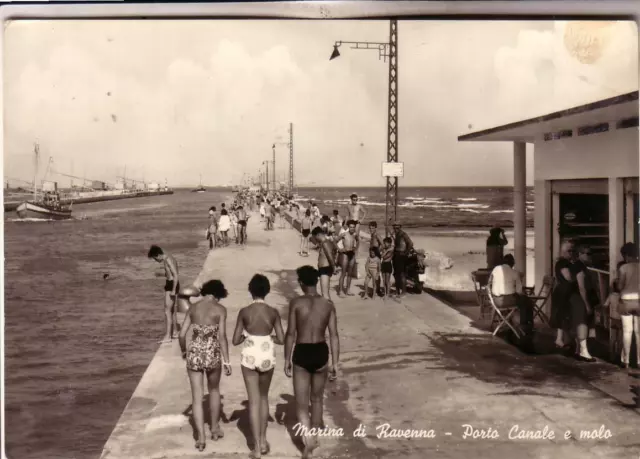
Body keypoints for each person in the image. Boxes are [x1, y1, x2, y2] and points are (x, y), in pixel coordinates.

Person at [284, 266, 340, 458]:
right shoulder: (328, 304)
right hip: (320, 351)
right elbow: (334, 335)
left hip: (302, 351)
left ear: (301, 282)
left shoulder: (296, 303)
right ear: (316, 281)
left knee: (301, 404)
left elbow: (291, 333)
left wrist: (286, 359)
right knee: (316, 399)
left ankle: (307, 441)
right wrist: (336, 362)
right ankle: (314, 436)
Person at [232, 274, 285, 458]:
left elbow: (235, 340)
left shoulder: (244, 312)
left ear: (250, 290)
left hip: (250, 354)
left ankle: (255, 449)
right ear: (267, 291)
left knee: (253, 401)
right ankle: (263, 441)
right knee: (264, 398)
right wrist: (268, 337)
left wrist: (248, 335)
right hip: (267, 353)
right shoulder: (273, 312)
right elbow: (282, 338)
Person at [178, 280, 232, 451]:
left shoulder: (193, 308)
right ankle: (215, 429)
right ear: (217, 294)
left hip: (194, 353)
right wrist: (227, 360)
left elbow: (181, 334)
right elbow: (222, 337)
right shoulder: (220, 310)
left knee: (196, 397)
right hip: (212, 353)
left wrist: (185, 351)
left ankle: (200, 437)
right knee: (214, 390)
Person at [489, 254, 534, 352]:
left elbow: (489, 283)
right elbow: (519, 291)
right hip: (508, 301)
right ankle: (525, 325)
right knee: (526, 301)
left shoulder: (496, 269)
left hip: (496, 301)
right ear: (512, 264)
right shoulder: (514, 273)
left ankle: (512, 322)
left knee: (521, 300)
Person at [569, 245, 597, 362]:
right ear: (580, 254)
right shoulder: (580, 267)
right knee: (582, 323)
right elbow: (582, 287)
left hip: (575, 298)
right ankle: (584, 352)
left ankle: (578, 350)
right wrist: (587, 304)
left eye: (590, 253)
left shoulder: (578, 266)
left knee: (579, 323)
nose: (589, 256)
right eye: (587, 253)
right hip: (579, 298)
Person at [148, 245, 180, 343]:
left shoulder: (168, 260)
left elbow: (175, 275)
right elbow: (171, 274)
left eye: (155, 258)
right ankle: (175, 332)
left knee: (167, 311)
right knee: (172, 311)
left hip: (171, 286)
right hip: (172, 284)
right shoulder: (170, 258)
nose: (156, 261)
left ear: (158, 255)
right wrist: (161, 274)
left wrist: (173, 290)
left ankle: (168, 336)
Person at [616, 242, 640, 368]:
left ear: (625, 255)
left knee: (627, 332)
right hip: (639, 301)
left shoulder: (623, 268)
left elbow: (620, 286)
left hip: (626, 300)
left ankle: (625, 361)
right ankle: (639, 361)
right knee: (639, 333)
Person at [550, 239, 576, 351]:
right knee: (564, 315)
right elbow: (568, 277)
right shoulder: (564, 263)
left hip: (561, 291)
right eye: (569, 251)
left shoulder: (560, 262)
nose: (571, 253)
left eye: (572, 251)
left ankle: (561, 339)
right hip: (564, 292)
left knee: (562, 316)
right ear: (563, 251)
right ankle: (563, 339)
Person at [334, 220, 359, 297]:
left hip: (352, 254)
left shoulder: (355, 235)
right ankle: (340, 291)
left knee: (350, 273)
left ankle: (348, 290)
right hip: (345, 254)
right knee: (343, 273)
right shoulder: (344, 234)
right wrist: (339, 249)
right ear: (348, 227)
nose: (352, 228)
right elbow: (334, 241)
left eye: (353, 227)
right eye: (351, 227)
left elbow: (358, 241)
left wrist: (356, 248)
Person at [312, 227, 337, 300]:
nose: (315, 239)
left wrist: (334, 267)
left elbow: (330, 255)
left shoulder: (325, 243)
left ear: (318, 235)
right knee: (325, 293)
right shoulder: (325, 243)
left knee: (325, 295)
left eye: (315, 237)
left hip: (325, 269)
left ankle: (329, 310)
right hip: (324, 269)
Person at [391, 222, 413, 297]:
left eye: (397, 227)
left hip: (401, 255)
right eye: (394, 227)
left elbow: (410, 243)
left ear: (400, 227)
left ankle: (403, 292)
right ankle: (397, 291)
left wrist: (406, 253)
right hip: (396, 255)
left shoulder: (403, 234)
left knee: (402, 274)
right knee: (396, 274)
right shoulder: (397, 235)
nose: (396, 229)